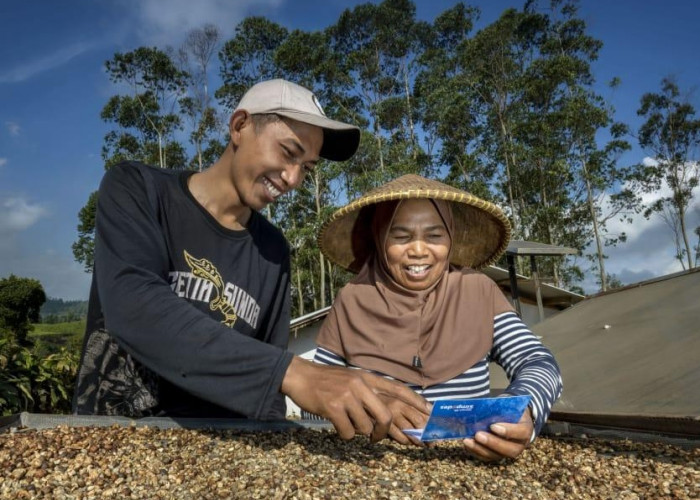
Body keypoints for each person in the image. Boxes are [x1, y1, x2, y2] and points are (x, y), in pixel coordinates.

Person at [72, 79, 430, 443]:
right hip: (112, 437)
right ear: (239, 126)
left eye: (306, 167)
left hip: (214, 450)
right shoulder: (138, 188)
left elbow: (266, 382)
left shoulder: (273, 252)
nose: (292, 179)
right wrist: (296, 373)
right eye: (289, 152)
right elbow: (134, 305)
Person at [307, 174, 563, 460]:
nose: (418, 250)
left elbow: (538, 361)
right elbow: (316, 397)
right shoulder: (352, 299)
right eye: (401, 236)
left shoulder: (478, 291)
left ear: (450, 238)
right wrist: (369, 406)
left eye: (434, 236)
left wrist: (522, 410)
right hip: (370, 464)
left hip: (468, 461)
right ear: (380, 238)